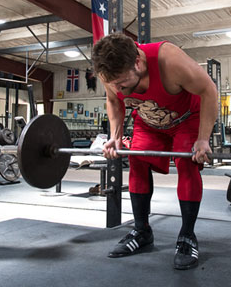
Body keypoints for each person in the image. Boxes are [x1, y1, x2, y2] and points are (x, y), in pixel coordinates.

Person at [91, 33, 218, 270]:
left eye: (122, 83)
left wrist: (203, 139)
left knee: (186, 163)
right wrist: (115, 137)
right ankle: (141, 231)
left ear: (137, 62)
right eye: (113, 83)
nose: (118, 88)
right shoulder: (109, 72)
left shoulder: (169, 60)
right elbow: (114, 100)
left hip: (187, 119)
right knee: (136, 160)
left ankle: (187, 236)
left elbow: (209, 90)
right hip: (150, 120)